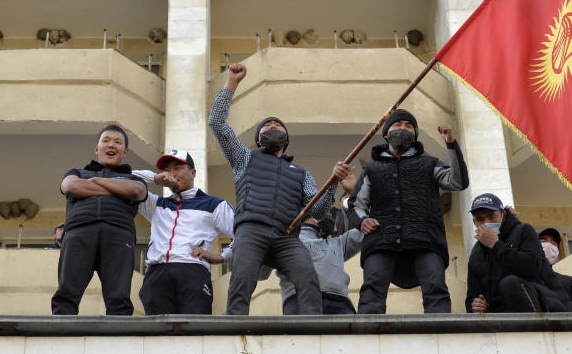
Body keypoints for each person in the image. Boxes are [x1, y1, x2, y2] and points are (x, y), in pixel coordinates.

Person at [208, 62, 350, 315]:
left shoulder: (301, 173)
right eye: (267, 126)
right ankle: (233, 332)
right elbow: (217, 122)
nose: (273, 126)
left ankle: (313, 331)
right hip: (252, 231)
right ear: (258, 139)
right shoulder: (244, 158)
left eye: (278, 126)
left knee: (308, 279)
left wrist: (333, 184)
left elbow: (317, 211)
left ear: (286, 139)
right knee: (242, 281)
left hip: (287, 237)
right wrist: (232, 83)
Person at [351, 109, 469, 314]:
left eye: (409, 126)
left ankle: (441, 334)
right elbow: (356, 204)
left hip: (427, 240)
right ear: (386, 133)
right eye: (398, 125)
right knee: (372, 289)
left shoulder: (430, 163)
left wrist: (450, 143)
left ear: (415, 134)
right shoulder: (372, 169)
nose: (403, 129)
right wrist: (362, 221)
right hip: (381, 241)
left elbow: (458, 181)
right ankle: (367, 337)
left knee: (436, 289)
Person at [51, 125, 148, 315]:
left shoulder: (133, 179)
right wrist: (117, 190)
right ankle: (61, 339)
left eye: (117, 142)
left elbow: (137, 191)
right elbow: (70, 187)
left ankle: (119, 342)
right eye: (106, 140)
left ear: (125, 152)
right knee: (66, 294)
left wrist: (94, 182)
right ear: (96, 148)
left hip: (119, 236)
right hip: (79, 233)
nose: (111, 145)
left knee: (119, 298)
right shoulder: (76, 172)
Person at [133, 148, 235, 315]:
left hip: (193, 271)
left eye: (177, 168)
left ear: (193, 173)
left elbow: (243, 234)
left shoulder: (214, 204)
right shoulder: (156, 204)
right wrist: (155, 179)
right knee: (157, 337)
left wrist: (222, 256)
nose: (171, 174)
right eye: (166, 170)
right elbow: (126, 177)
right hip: (156, 274)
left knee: (194, 333)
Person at [270, 165, 363, 315]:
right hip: (299, 300)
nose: (330, 215)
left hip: (340, 304)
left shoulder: (338, 243)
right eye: (326, 212)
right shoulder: (283, 239)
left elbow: (372, 225)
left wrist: (354, 193)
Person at [465, 194, 572, 313]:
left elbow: (532, 268)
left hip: (538, 306)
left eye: (492, 216)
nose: (487, 223)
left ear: (504, 215)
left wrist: (496, 245)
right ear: (474, 221)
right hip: (501, 317)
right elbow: (472, 296)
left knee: (509, 283)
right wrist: (476, 306)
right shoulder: (476, 253)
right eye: (480, 219)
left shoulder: (523, 230)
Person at [538, 227, 572, 312]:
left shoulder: (568, 281)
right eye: (543, 241)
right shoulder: (525, 278)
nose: (548, 245)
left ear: (557, 253)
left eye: (553, 243)